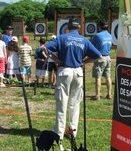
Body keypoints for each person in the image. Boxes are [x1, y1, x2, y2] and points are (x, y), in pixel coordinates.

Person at [43, 18, 101, 151]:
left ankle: (59, 134)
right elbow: (97, 55)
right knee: (75, 104)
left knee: (61, 104)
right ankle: (72, 132)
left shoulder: (62, 38)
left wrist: (56, 59)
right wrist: (84, 61)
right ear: (79, 28)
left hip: (65, 71)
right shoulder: (84, 40)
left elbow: (45, 48)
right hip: (78, 73)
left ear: (67, 27)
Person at [91, 20, 113, 100]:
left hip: (100, 58)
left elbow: (91, 46)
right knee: (108, 76)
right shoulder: (110, 35)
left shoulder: (97, 35)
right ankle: (109, 94)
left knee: (98, 77)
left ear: (99, 27)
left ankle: (97, 95)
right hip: (108, 57)